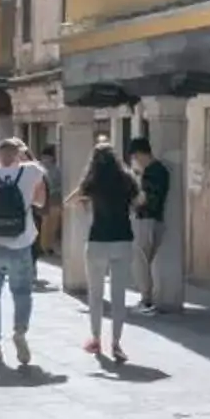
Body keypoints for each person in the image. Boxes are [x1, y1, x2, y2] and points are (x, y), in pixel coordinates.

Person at [0, 137, 47, 370]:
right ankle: (20, 331)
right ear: (18, 155)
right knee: (22, 292)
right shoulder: (31, 171)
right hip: (21, 243)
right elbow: (41, 201)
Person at [78, 135, 138, 363]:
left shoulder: (91, 182)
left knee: (95, 294)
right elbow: (138, 201)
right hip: (123, 239)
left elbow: (79, 201)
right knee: (119, 294)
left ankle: (95, 338)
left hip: (97, 241)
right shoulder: (127, 180)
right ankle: (116, 342)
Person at [130, 131, 172, 312]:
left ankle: (146, 300)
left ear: (140, 153)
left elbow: (144, 199)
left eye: (134, 156)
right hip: (155, 220)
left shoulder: (151, 172)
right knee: (145, 262)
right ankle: (148, 299)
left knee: (140, 262)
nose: (135, 160)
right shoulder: (160, 170)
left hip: (146, 220)